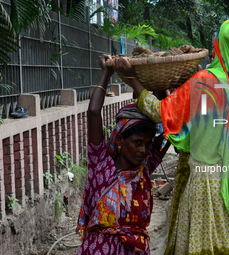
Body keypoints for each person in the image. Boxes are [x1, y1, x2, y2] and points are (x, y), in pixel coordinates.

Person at [112, 18, 229, 254]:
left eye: (216, 37)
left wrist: (130, 77)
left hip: (204, 185)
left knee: (199, 245)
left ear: (220, 44)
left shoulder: (205, 81)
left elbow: (161, 112)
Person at [76, 54, 170, 255]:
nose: (143, 150)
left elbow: (172, 127)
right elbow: (93, 113)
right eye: (137, 143)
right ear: (119, 140)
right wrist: (106, 74)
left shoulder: (145, 167)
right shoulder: (101, 165)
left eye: (146, 144)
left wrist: (163, 91)